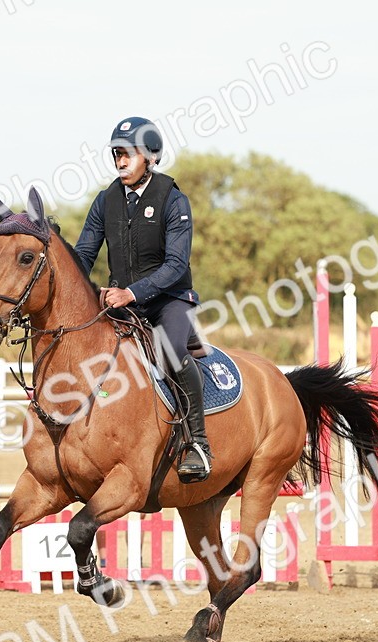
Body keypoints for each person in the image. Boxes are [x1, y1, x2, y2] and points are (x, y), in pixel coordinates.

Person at [73, 116, 213, 483]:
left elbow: (176, 264)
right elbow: (84, 254)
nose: (120, 161)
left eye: (127, 154)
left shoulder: (173, 198)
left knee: (171, 352)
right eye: (116, 154)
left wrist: (131, 292)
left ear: (149, 156)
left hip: (169, 299)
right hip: (120, 301)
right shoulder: (106, 201)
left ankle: (197, 442)